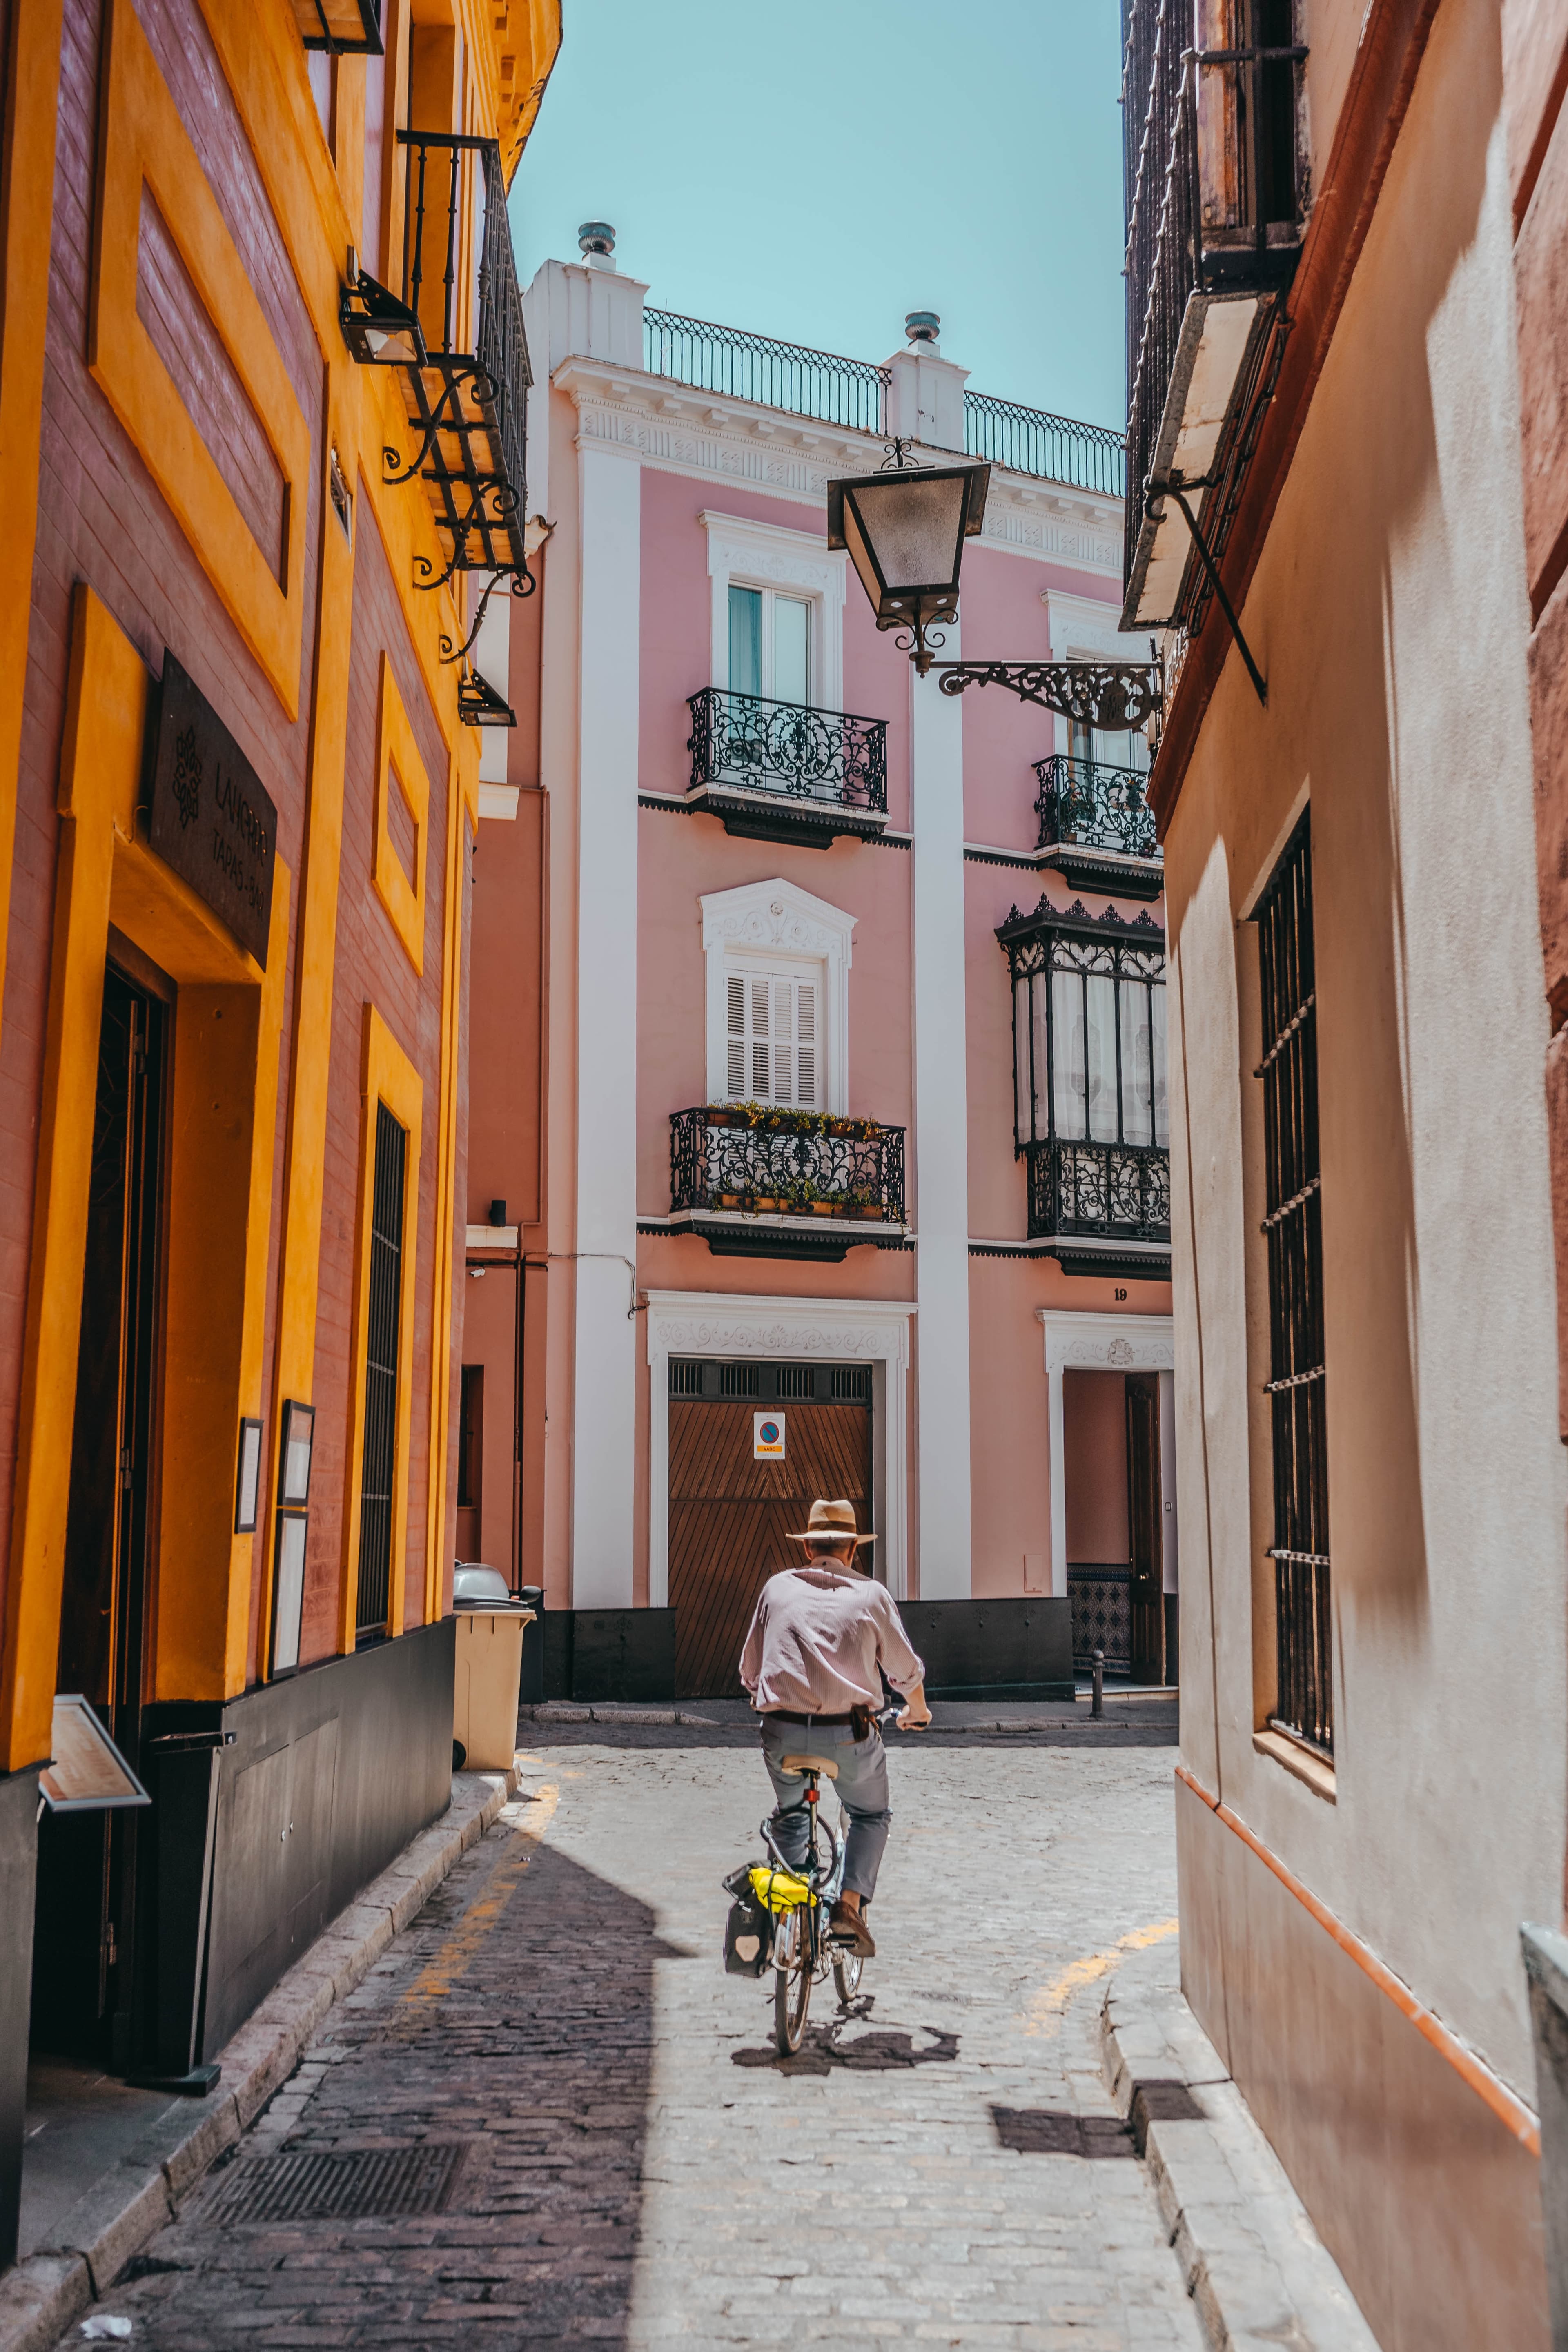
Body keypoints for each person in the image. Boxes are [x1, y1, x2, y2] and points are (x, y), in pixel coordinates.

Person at [738, 1496, 930, 1958]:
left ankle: (791, 1916)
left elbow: (750, 1671)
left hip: (781, 1732)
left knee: (789, 1816)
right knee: (870, 1815)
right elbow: (906, 1672)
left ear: (808, 1549)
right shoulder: (871, 1594)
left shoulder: (776, 1589)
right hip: (848, 1733)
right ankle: (848, 1906)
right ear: (852, 1550)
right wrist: (916, 1710)